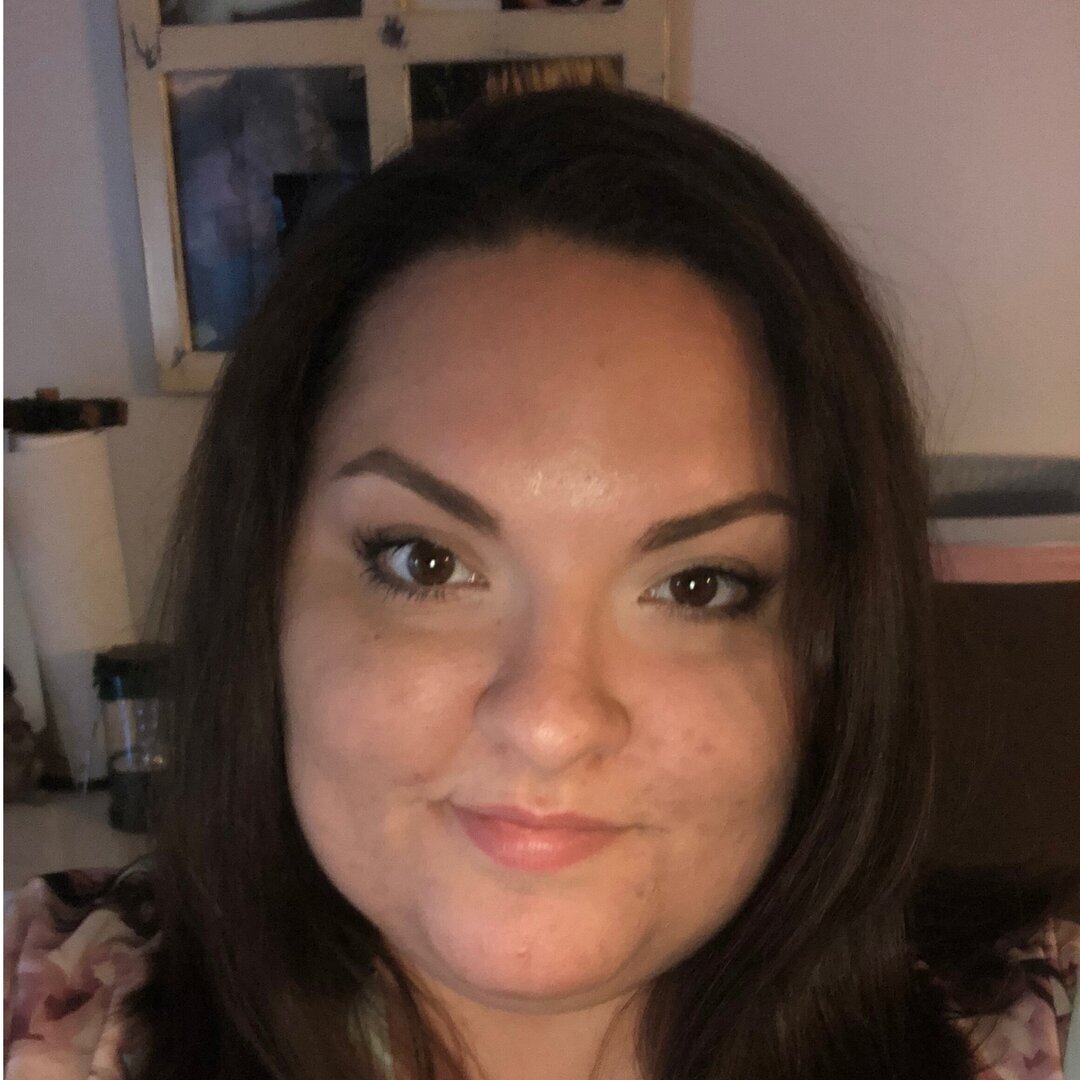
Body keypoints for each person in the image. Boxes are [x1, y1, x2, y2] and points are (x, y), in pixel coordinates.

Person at [5, 86, 1077, 1080]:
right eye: (425, 563)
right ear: (266, 598)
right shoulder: (45, 1008)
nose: (551, 722)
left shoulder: (1031, 1039)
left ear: (836, 652)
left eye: (699, 586)